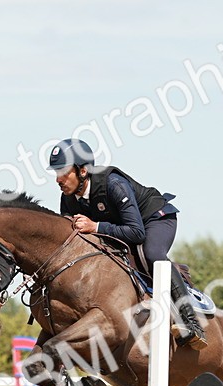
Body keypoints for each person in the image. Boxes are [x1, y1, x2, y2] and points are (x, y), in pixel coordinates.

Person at [47, 138, 207, 350]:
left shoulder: (114, 184)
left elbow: (137, 232)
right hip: (121, 227)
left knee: (151, 254)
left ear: (83, 171)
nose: (58, 179)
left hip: (154, 219)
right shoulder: (68, 199)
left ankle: (191, 320)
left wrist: (96, 227)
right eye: (56, 172)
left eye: (63, 171)